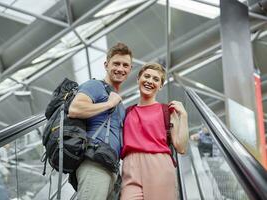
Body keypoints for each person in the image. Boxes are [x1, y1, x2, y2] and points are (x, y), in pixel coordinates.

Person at [68, 42, 133, 200]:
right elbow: (75, 109)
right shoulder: (95, 86)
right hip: (95, 162)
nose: (120, 68)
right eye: (116, 63)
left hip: (110, 167)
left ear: (130, 70)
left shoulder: (120, 105)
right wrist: (109, 104)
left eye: (125, 65)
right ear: (106, 65)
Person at [120, 63, 189, 200]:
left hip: (159, 165)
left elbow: (180, 147)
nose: (150, 81)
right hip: (130, 166)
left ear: (161, 86)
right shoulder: (127, 112)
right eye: (147, 76)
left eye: (156, 79)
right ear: (138, 79)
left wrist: (184, 116)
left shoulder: (167, 111)